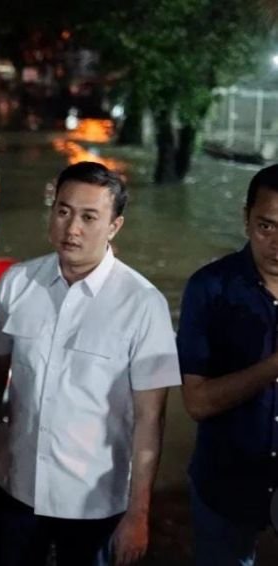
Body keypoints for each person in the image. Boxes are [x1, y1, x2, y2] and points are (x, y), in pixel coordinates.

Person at [0, 161, 180, 565]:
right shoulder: (17, 283)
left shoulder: (142, 304)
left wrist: (138, 513)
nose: (72, 229)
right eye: (63, 211)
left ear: (114, 226)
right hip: (19, 489)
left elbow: (149, 420)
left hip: (96, 505)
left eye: (89, 217)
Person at [178, 163, 278, 565]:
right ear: (245, 219)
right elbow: (196, 403)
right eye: (266, 226)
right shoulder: (210, 288)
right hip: (226, 483)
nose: (277, 242)